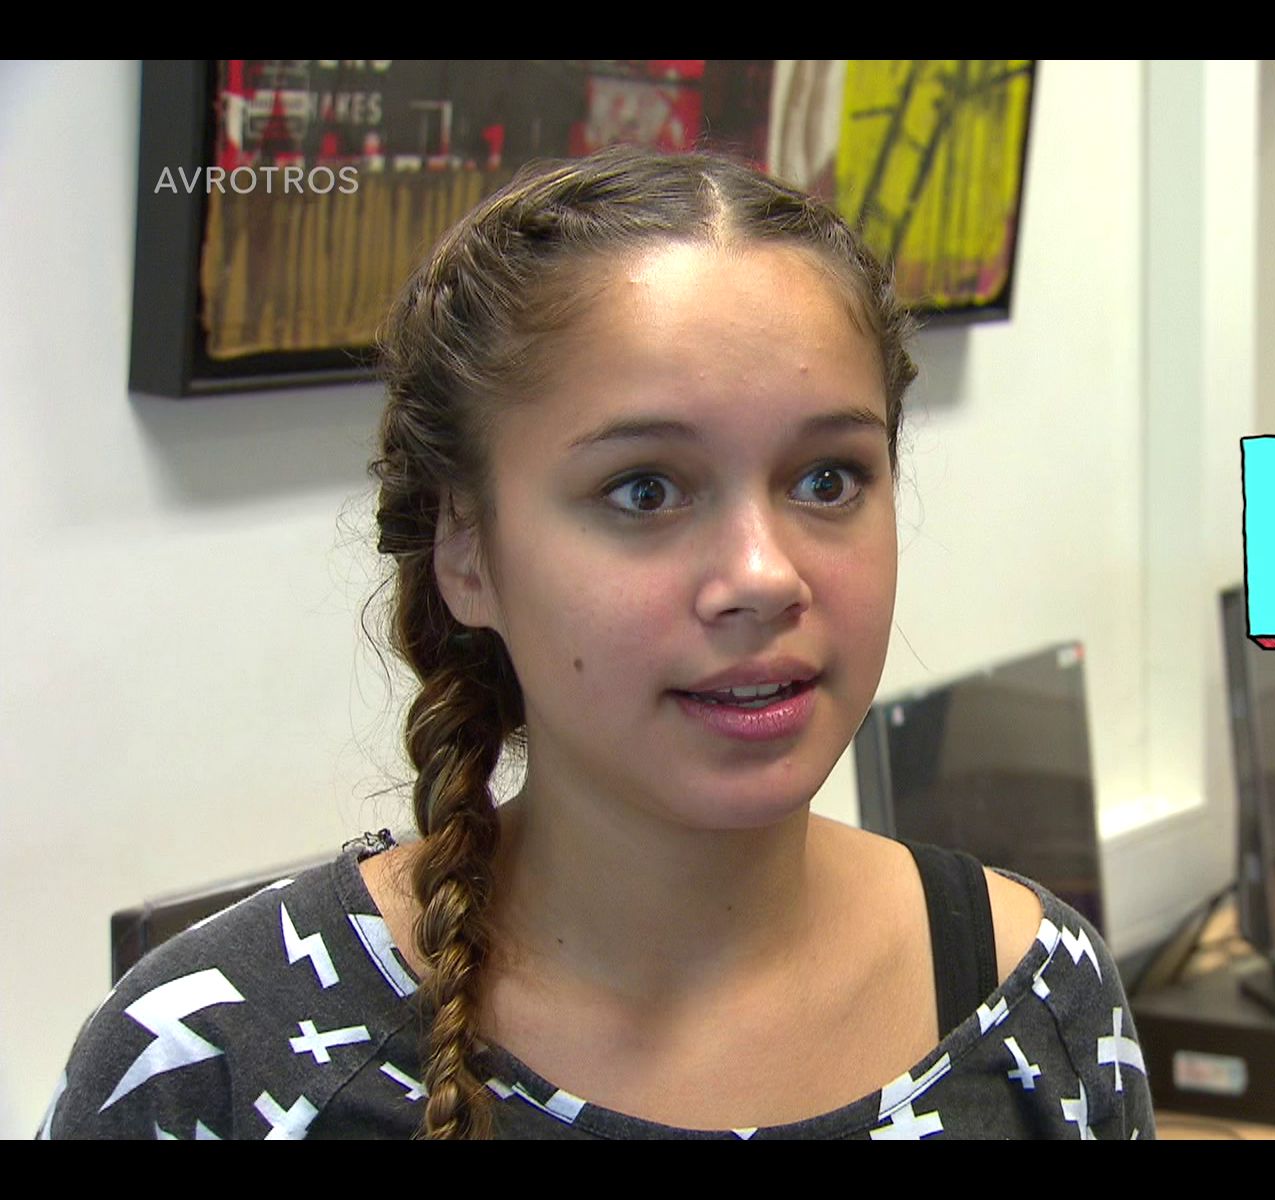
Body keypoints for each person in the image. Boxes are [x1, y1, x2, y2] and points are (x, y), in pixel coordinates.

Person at [42, 146, 1155, 1140]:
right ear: (467, 549)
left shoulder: (1035, 999)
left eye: (828, 479)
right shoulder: (213, 1064)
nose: (763, 576)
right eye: (645, 489)